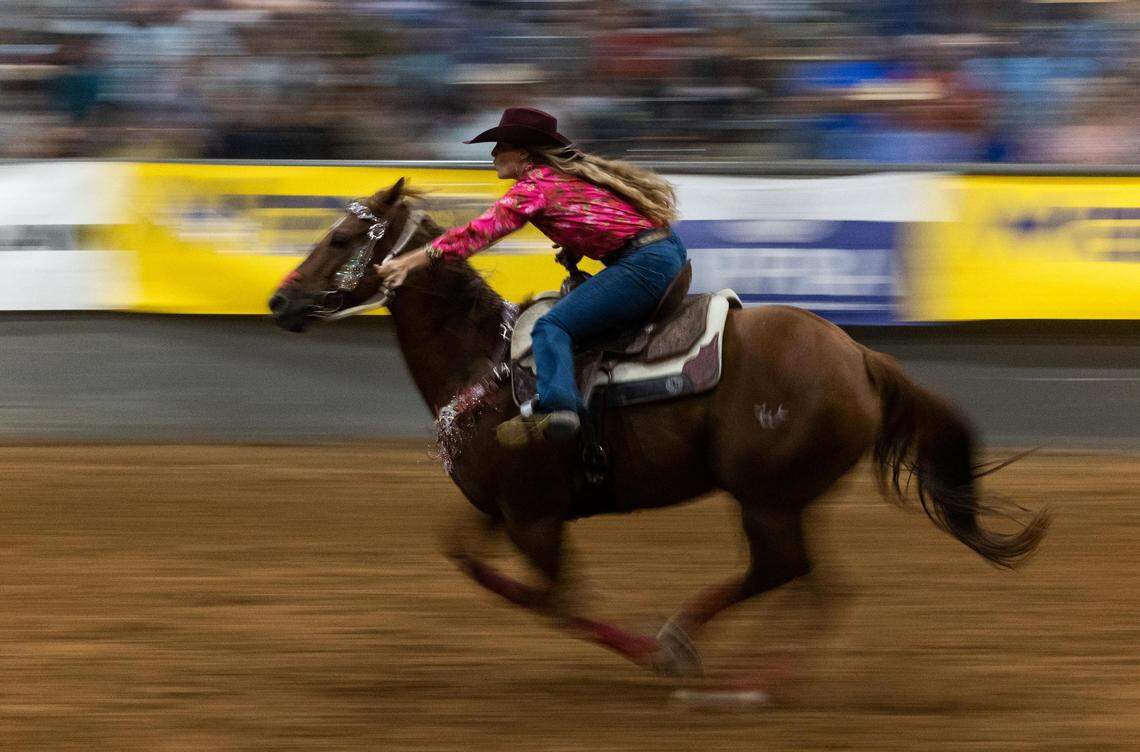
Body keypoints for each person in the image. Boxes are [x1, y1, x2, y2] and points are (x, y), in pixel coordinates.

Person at [375, 107, 686, 447]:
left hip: (643, 263)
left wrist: (409, 262)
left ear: (523, 153)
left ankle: (559, 409)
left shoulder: (534, 187)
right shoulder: (558, 179)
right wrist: (576, 247)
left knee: (552, 327)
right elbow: (607, 220)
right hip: (659, 253)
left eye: (500, 146)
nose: (493, 154)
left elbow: (476, 234)